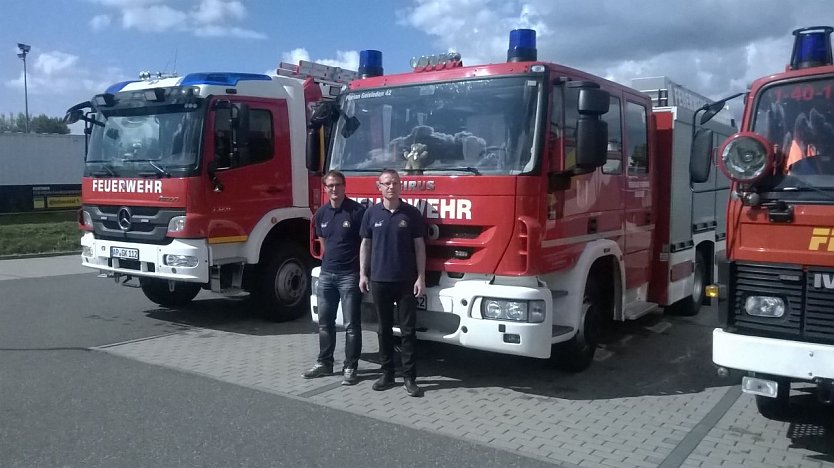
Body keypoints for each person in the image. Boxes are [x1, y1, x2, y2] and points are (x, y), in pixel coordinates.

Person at [359, 169, 427, 397]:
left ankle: (410, 378)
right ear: (379, 187)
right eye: (386, 183)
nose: (391, 187)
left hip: (406, 281)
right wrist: (363, 274)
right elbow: (365, 245)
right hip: (379, 280)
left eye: (395, 183)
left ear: (401, 186)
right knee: (383, 330)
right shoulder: (371, 214)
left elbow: (419, 247)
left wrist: (421, 276)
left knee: (408, 331)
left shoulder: (412, 214)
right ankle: (387, 374)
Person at [303, 171, 366, 385]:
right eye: (330, 186)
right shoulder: (321, 214)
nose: (334, 189)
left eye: (337, 185)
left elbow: (366, 245)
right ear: (325, 188)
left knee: (351, 325)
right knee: (325, 323)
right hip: (327, 275)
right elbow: (324, 244)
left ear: (344, 186)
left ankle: (350, 367)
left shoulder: (357, 212)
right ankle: (324, 364)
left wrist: (363, 273)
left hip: (350, 276)